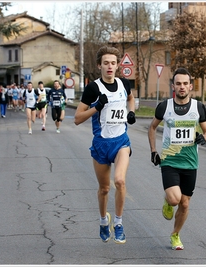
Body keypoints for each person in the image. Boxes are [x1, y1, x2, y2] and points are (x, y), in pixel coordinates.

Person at [74, 46, 136, 244]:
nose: (110, 66)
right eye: (106, 63)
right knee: (104, 189)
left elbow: (130, 98)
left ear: (118, 65)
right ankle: (103, 221)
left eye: (113, 63)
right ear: (99, 65)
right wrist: (96, 107)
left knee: (120, 181)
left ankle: (118, 223)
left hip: (121, 142)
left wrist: (131, 112)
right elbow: (77, 118)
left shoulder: (124, 84)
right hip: (101, 144)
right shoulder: (93, 88)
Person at [148, 67, 206, 250]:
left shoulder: (198, 107)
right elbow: (152, 128)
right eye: (178, 83)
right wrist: (153, 151)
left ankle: (175, 234)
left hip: (190, 162)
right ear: (173, 86)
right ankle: (168, 200)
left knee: (184, 203)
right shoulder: (164, 107)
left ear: (190, 86)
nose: (182, 87)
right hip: (169, 161)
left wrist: (203, 137)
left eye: (185, 83)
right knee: (175, 199)